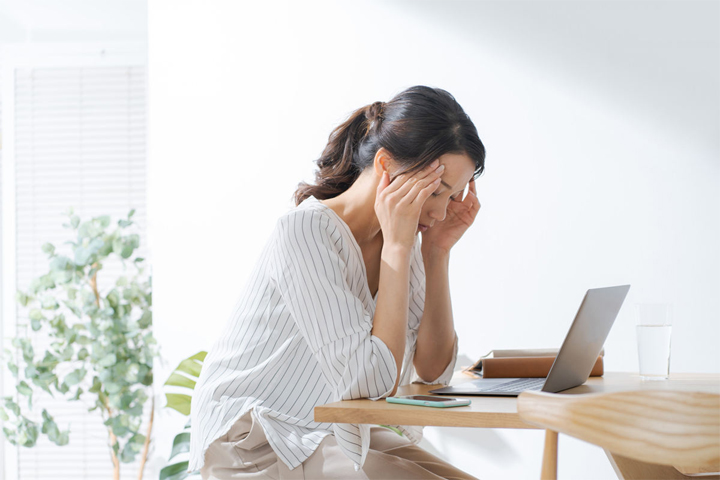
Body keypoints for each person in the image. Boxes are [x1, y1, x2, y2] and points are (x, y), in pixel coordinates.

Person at [189, 85, 486, 479]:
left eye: (453, 198)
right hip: (255, 439)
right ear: (386, 167)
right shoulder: (306, 231)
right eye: (439, 191)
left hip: (326, 429)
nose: (442, 210)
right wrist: (397, 248)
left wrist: (436, 252)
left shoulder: (406, 239)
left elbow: (431, 372)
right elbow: (368, 382)